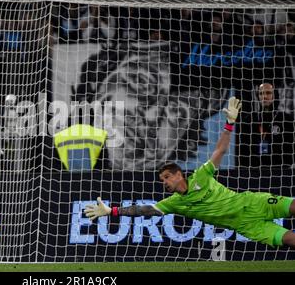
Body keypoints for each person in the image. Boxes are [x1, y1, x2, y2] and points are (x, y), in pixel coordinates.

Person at [85, 97, 295, 249]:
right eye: (161, 180)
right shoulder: (174, 203)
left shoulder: (201, 176)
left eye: (166, 177)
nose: (164, 183)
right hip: (247, 225)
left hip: (252, 203)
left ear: (179, 175)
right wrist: (112, 211)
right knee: (289, 240)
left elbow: (219, 151)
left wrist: (230, 123)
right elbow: (145, 210)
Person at [238, 82, 295, 168]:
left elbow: (291, 148)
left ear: (274, 95)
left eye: (268, 93)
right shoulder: (249, 120)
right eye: (261, 93)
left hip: (280, 171)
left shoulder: (286, 120)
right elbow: (243, 151)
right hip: (254, 172)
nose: (264, 97)